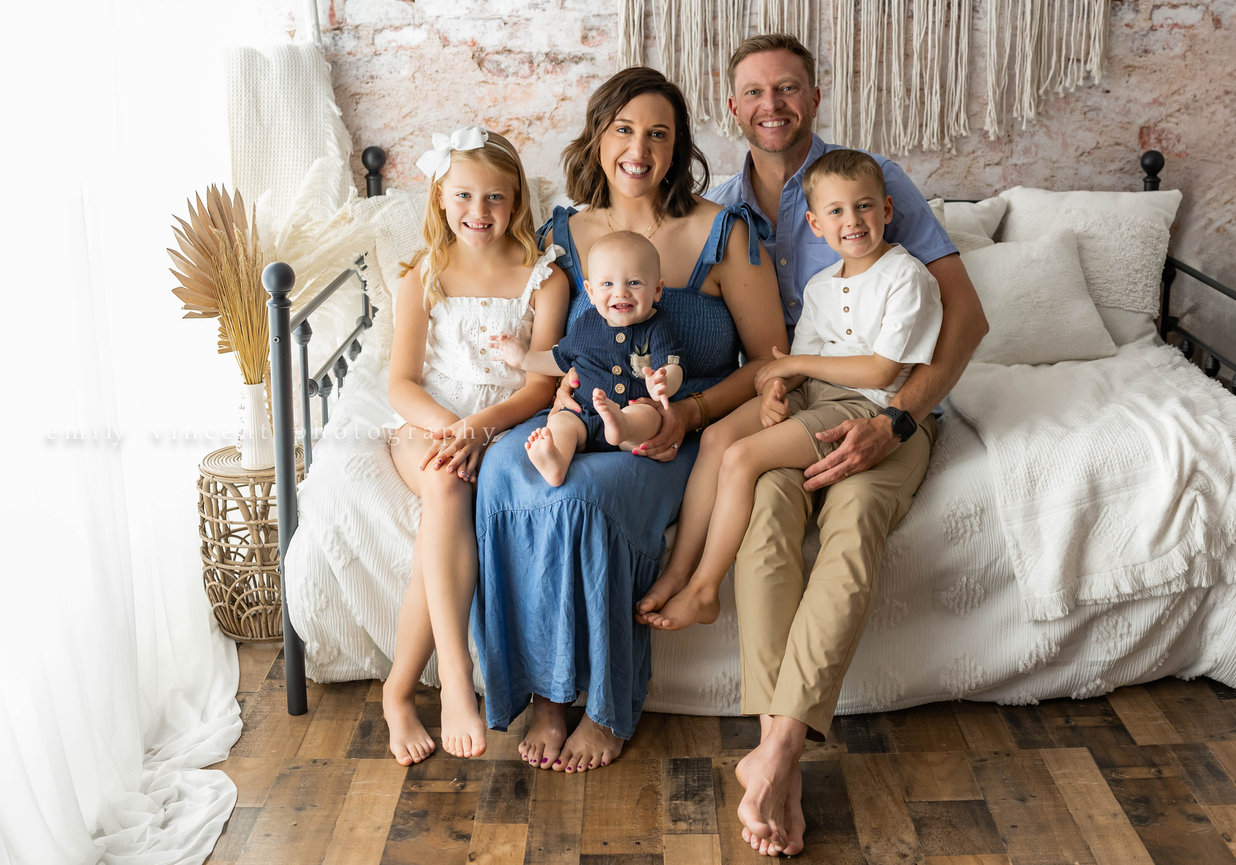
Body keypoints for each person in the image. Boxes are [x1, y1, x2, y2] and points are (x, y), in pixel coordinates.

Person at [638, 34, 989, 857]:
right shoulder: (722, 206)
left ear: (815, 96)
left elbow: (965, 320)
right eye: (755, 92)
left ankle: (780, 749)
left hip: (887, 400)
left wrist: (898, 418)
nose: (772, 107)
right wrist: (762, 386)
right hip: (798, 402)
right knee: (763, 511)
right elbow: (747, 343)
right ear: (732, 108)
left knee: (857, 515)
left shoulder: (869, 182)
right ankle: (780, 759)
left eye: (788, 89)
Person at [472, 66, 788, 775]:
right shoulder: (565, 232)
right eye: (623, 130)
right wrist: (513, 413)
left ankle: (608, 703)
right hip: (583, 411)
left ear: (678, 148)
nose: (639, 149)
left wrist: (694, 412)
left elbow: (771, 359)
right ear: (598, 136)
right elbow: (548, 352)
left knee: (584, 495)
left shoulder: (723, 232)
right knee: (503, 472)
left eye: (658, 133)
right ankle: (546, 694)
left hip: (674, 429)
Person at [642, 148, 942, 632]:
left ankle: (703, 590)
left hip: (861, 402)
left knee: (741, 458)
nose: (853, 221)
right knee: (719, 438)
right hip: (815, 393)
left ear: (886, 210)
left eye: (865, 206)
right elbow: (798, 364)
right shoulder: (823, 284)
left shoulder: (906, 277)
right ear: (816, 224)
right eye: (836, 211)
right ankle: (676, 571)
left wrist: (794, 365)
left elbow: (884, 371)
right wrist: (777, 389)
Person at [382, 125, 568, 765]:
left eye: (495, 198)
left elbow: (542, 384)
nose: (478, 212)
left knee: (453, 492)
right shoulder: (423, 276)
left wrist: (481, 427)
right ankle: (457, 679)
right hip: (428, 423)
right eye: (463, 196)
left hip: (500, 422)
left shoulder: (544, 278)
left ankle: (398, 691)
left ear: (517, 202)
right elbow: (401, 382)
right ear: (439, 198)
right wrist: (449, 428)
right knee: (443, 481)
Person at [490, 231, 684, 485]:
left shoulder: (658, 326)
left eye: (634, 283)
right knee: (560, 422)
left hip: (631, 417)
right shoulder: (587, 324)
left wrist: (663, 383)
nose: (621, 293)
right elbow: (560, 360)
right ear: (590, 292)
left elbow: (672, 365)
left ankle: (621, 425)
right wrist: (524, 359)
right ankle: (555, 461)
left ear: (657, 289)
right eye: (607, 284)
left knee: (649, 416)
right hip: (581, 412)